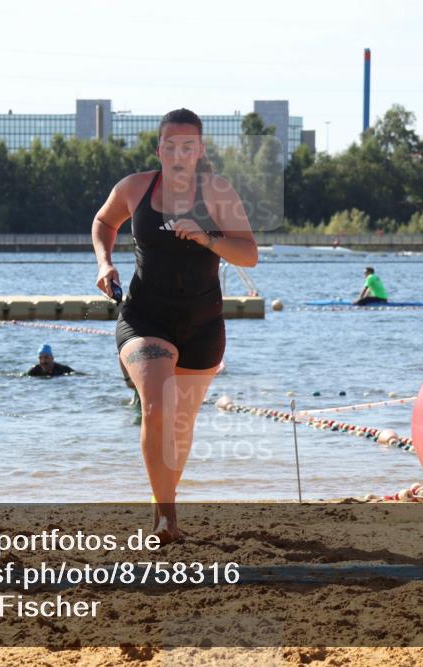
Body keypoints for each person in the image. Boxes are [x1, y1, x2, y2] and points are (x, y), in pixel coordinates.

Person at [91, 107, 258, 543]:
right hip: (144, 316)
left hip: (203, 323)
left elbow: (248, 254)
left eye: (188, 146)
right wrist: (104, 263)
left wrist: (208, 238)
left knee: (179, 426)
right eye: (171, 146)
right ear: (159, 148)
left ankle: (164, 499)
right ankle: (166, 520)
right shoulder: (135, 187)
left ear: (200, 150)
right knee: (158, 407)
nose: (179, 153)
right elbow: (104, 221)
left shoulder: (218, 193)